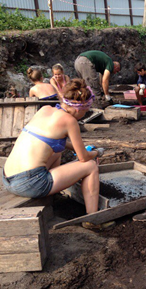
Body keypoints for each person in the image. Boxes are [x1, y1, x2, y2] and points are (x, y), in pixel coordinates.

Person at [2, 79, 112, 229]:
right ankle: (92, 219)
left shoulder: (45, 109)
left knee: (57, 149)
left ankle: (53, 193)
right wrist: (96, 152)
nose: (85, 114)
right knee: (91, 166)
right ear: (79, 109)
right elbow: (83, 158)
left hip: (8, 178)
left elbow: (49, 140)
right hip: (30, 183)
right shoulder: (70, 121)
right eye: (86, 111)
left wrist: (75, 148)